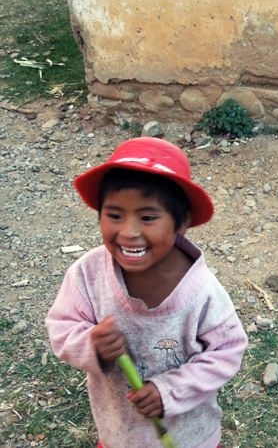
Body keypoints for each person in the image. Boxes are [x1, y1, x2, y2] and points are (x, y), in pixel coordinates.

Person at [46, 137, 248, 448]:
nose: (128, 232)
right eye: (114, 215)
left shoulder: (203, 293)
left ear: (182, 222)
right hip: (119, 434)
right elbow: (62, 326)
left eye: (148, 217)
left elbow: (227, 351)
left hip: (189, 438)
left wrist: (170, 391)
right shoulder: (88, 274)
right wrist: (92, 345)